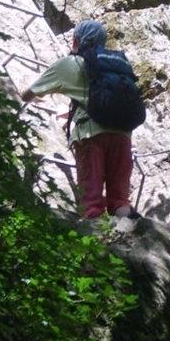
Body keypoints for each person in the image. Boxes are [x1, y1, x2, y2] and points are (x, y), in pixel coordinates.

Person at [20, 19, 140, 219]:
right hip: (122, 134)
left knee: (91, 199)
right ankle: (129, 231)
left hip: (90, 135)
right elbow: (98, 98)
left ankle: (95, 239)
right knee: (119, 198)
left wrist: (28, 94)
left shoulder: (70, 63)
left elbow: (28, 93)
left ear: (76, 39)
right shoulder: (114, 66)